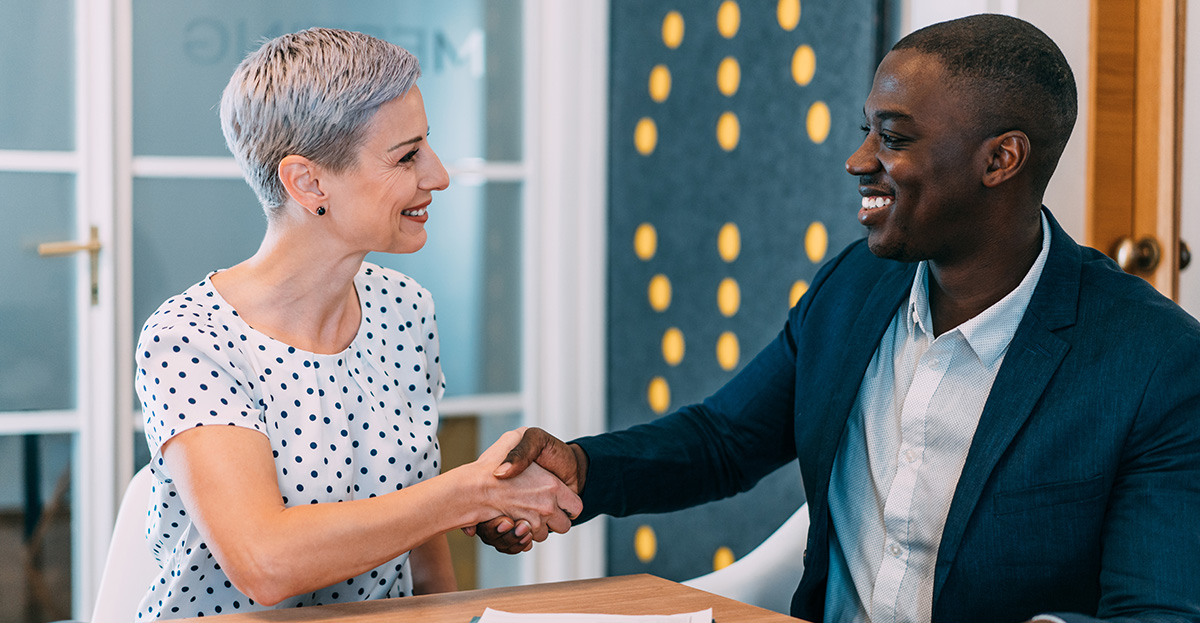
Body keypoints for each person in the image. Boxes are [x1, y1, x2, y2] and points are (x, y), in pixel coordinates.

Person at [470, 14, 1200, 623]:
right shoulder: (857, 284)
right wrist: (582, 470)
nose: (859, 160)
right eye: (866, 130)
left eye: (895, 137)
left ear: (1001, 158)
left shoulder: (1155, 363)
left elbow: (1159, 611)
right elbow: (724, 439)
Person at [134, 28, 580, 620]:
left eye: (428, 147)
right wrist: (471, 491)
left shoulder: (405, 309)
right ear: (308, 182)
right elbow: (265, 562)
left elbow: (418, 533)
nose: (439, 175)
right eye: (406, 156)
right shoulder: (190, 340)